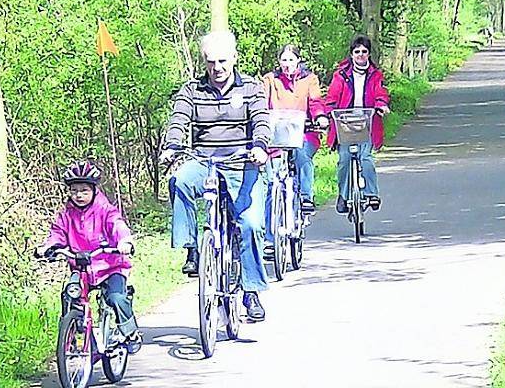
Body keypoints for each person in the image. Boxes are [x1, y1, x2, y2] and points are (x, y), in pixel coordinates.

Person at [160, 30, 271, 322]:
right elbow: (179, 119)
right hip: (204, 159)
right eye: (211, 62)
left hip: (241, 162)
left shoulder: (251, 88)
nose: (217, 68)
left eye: (223, 61)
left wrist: (259, 146)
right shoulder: (192, 90)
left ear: (234, 58)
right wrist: (172, 146)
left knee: (250, 224)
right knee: (179, 180)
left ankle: (251, 291)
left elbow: (261, 120)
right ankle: (193, 248)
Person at [34, 161, 142, 347]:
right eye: (74, 190)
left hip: (110, 266)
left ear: (93, 190)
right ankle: (73, 335)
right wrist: (48, 247)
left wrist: (124, 241)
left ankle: (130, 333)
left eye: (84, 190)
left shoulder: (105, 210)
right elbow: (57, 233)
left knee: (116, 297)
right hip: (82, 268)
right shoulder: (66, 215)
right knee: (70, 295)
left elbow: (117, 225)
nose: (79, 195)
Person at [325, 35, 390, 213]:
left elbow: (380, 93)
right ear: (351, 54)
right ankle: (344, 196)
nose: (360, 55)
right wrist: (329, 110)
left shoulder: (375, 74)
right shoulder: (341, 75)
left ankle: (372, 194)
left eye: (364, 52)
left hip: (367, 122)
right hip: (345, 122)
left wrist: (381, 105)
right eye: (357, 52)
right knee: (344, 160)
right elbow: (332, 96)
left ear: (369, 54)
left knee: (366, 158)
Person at [262, 44, 329, 213]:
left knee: (301, 154)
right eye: (284, 60)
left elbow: (315, 101)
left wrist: (320, 116)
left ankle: (306, 196)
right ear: (279, 61)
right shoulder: (270, 80)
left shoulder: (309, 79)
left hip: (303, 134)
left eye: (291, 59)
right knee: (272, 180)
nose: (287, 64)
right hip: (276, 136)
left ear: (298, 60)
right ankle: (271, 233)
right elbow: (261, 102)